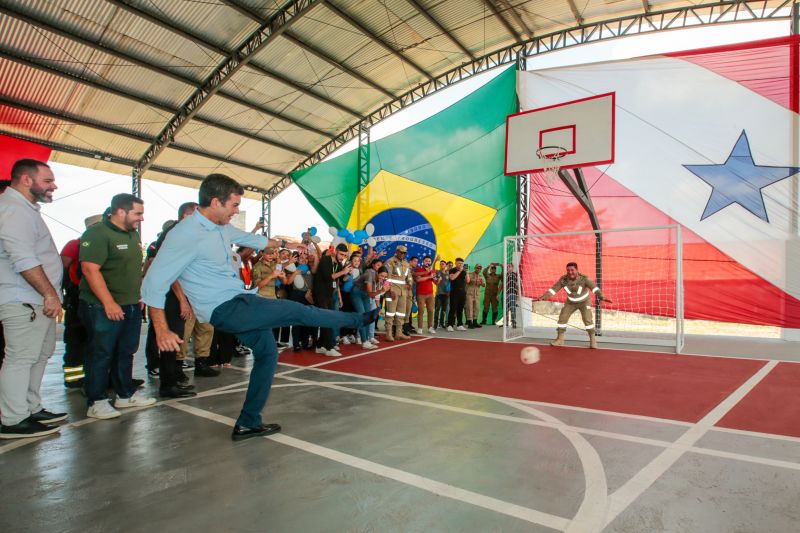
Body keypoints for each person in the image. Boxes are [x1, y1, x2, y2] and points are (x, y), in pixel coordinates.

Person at [142, 173, 378, 440]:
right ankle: (359, 321)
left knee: (267, 354)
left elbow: (256, 241)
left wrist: (288, 244)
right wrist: (161, 329)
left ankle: (248, 422)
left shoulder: (221, 227)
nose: (237, 210)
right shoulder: (184, 234)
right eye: (234, 205)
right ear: (216, 201)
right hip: (227, 308)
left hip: (241, 301)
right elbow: (153, 284)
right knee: (298, 311)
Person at [0, 159, 67, 439]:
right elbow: (23, 258)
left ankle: (30, 407)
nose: (54, 186)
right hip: (24, 299)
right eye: (48, 181)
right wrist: (49, 293)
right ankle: (13, 419)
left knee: (39, 355)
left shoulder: (26, 210)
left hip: (37, 300)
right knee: (20, 357)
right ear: (26, 180)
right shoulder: (13, 210)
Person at [79, 194, 156, 419]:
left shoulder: (131, 234)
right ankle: (96, 401)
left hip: (130, 305)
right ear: (120, 212)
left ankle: (124, 395)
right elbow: (90, 270)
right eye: (138, 213)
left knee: (126, 352)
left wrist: (138, 295)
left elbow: (132, 269)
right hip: (102, 307)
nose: (141, 218)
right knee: (101, 354)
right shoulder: (97, 233)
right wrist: (109, 302)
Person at [59, 213, 103, 388]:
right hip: (77, 296)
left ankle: (99, 376)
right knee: (75, 338)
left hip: (98, 294)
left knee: (97, 339)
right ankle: (74, 377)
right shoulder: (75, 244)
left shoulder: (102, 244)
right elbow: (61, 267)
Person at [534, 262, 612, 349]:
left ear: (577, 270)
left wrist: (602, 296)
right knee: (562, 318)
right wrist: (543, 297)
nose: (570, 272)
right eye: (568, 270)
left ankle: (593, 340)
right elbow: (553, 289)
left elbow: (594, 288)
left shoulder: (584, 279)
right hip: (570, 302)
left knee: (587, 320)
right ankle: (560, 339)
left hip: (584, 302)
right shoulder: (563, 280)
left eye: (572, 270)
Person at [311, 243, 352, 357]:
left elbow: (339, 281)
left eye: (344, 255)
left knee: (328, 319)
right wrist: (343, 272)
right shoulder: (325, 259)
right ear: (336, 251)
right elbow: (328, 277)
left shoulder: (338, 264)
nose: (342, 257)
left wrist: (347, 274)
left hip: (329, 295)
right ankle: (329, 347)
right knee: (326, 319)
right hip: (320, 294)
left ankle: (320, 346)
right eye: (341, 254)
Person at [384, 245, 412, 341]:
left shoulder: (406, 263)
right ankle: (388, 333)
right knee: (390, 313)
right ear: (397, 252)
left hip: (403, 291)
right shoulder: (390, 261)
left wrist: (410, 283)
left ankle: (398, 333)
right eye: (401, 252)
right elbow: (386, 277)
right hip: (392, 291)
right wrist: (389, 290)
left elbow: (409, 276)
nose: (402, 254)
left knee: (401, 313)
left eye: (404, 253)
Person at [413, 255, 437, 334]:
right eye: (426, 261)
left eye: (429, 261)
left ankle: (430, 327)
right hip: (421, 294)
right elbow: (418, 280)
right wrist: (428, 275)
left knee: (430, 310)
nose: (428, 262)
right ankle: (420, 328)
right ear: (423, 262)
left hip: (430, 294)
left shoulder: (432, 271)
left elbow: (435, 282)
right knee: (421, 311)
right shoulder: (419, 269)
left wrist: (437, 279)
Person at [447, 258, 468, 331]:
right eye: (459, 263)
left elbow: (468, 281)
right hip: (454, 292)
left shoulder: (464, 271)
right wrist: (459, 271)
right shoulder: (452, 270)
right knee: (453, 309)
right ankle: (450, 325)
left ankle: (459, 324)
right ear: (455, 263)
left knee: (460, 309)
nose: (460, 265)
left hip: (462, 293)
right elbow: (452, 278)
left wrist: (467, 272)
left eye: (462, 263)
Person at [465, 264, 484, 329]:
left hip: (477, 294)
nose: (478, 269)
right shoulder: (470, 274)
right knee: (469, 308)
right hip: (470, 294)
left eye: (479, 268)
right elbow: (467, 281)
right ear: (475, 268)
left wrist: (481, 282)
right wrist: (475, 280)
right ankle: (469, 322)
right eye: (477, 268)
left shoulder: (481, 276)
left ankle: (475, 322)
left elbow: (484, 285)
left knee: (476, 308)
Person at [434, 260, 450, 330]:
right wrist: (435, 261)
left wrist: (449, 292)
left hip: (446, 294)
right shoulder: (438, 272)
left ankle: (441, 323)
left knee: (444, 310)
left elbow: (450, 283)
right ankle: (435, 324)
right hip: (439, 294)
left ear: (445, 266)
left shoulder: (448, 273)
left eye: (443, 264)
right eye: (440, 264)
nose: (441, 265)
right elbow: (432, 269)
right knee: (437, 309)